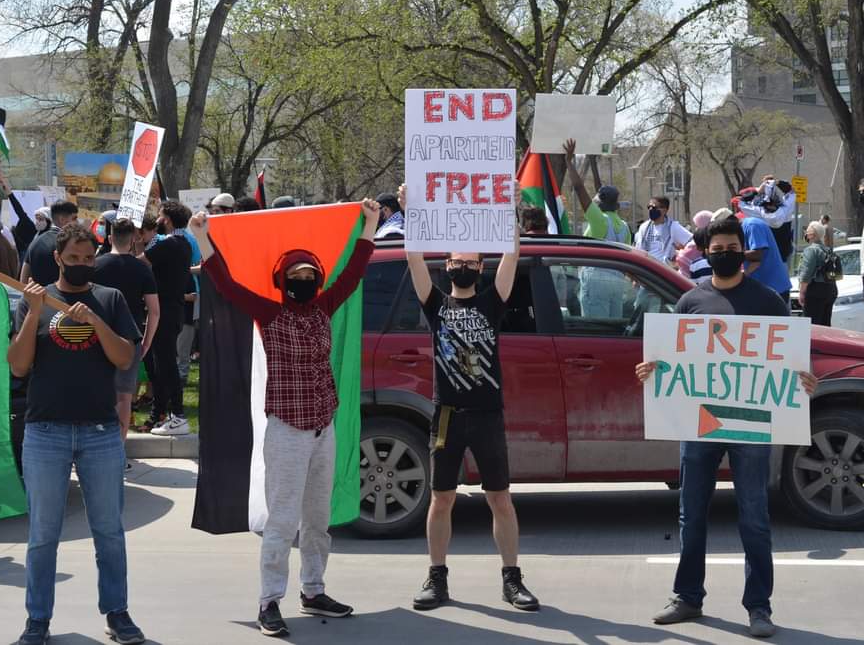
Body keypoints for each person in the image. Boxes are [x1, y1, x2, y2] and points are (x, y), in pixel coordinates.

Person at [191, 199, 379, 638]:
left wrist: (369, 225)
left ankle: (313, 590)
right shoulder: (270, 314)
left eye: (309, 275)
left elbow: (353, 273)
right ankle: (269, 601)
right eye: (296, 277)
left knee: (318, 519)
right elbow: (226, 283)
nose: (304, 281)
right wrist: (202, 237)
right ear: (281, 282)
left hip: (323, 430)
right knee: (282, 521)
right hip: (288, 433)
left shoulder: (324, 308)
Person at [636, 215, 817, 639]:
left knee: (754, 515)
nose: (724, 254)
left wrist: (805, 378)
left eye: (731, 247)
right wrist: (651, 370)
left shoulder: (769, 302)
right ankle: (687, 597)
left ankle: (758, 607)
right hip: (697, 425)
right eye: (716, 250)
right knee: (691, 513)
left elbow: (791, 359)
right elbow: (670, 362)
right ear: (705, 253)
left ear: (743, 250)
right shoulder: (691, 302)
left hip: (751, 425)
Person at [396, 184, 539, 614]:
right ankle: (436, 577)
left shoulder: (493, 302)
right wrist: (410, 212)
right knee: (441, 497)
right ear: (448, 266)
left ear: (480, 267)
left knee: (500, 497)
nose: (462, 266)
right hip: (446, 415)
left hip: (487, 414)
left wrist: (511, 209)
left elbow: (512, 256)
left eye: (470, 262)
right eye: (456, 261)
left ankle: (512, 579)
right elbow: (412, 258)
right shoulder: (435, 304)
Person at [8, 222, 144, 645]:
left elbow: (125, 357)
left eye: (89, 258)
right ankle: (37, 621)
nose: (83, 265)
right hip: (46, 430)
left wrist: (97, 323)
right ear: (58, 258)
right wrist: (34, 312)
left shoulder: (110, 299)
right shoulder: (39, 300)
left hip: (100, 431)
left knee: (108, 531)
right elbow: (18, 365)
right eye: (75, 259)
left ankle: (118, 614)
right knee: (43, 535)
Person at [94, 218, 160, 440]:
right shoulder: (141, 268)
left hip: (97, 336)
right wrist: (147, 341)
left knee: (97, 392)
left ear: (110, 237)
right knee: (124, 396)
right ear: (133, 240)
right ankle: (119, 448)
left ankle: (96, 442)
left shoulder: (96, 265)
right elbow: (154, 310)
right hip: (130, 338)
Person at [143, 201, 194, 436]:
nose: (157, 220)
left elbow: (141, 262)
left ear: (168, 220)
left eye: (160, 216)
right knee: (162, 364)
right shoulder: (182, 243)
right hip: (172, 310)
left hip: (164, 310)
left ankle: (178, 414)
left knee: (166, 364)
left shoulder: (170, 243)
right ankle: (163, 413)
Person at [562, 139, 631, 244]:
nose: (593, 199)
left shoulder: (599, 220)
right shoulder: (624, 227)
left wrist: (568, 161)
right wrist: (592, 160)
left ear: (600, 203)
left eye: (596, 198)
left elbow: (579, 188)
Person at [740, 205, 793, 303]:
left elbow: (757, 254)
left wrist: (734, 255)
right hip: (766, 288)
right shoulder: (747, 228)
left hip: (774, 289)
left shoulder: (752, 225)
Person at [21, 200, 79, 286]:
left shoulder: (35, 241)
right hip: (59, 298)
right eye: (74, 218)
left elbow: (24, 278)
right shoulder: (66, 243)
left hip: (36, 296)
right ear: (62, 219)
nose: (77, 222)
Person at [798, 221, 838, 326]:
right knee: (825, 324)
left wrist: (802, 292)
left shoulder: (811, 250)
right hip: (831, 289)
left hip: (815, 290)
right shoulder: (829, 250)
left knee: (812, 326)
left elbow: (806, 273)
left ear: (812, 234)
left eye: (807, 232)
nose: (806, 234)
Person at [634, 197, 691, 264]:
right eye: (649, 207)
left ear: (664, 210)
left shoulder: (673, 227)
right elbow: (638, 248)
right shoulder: (644, 227)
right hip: (646, 269)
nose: (650, 209)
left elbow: (691, 242)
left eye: (654, 207)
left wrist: (681, 256)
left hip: (662, 270)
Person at [676, 211, 713, 279]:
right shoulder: (713, 242)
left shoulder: (695, 245)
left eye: (697, 226)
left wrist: (679, 252)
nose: (696, 229)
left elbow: (682, 259)